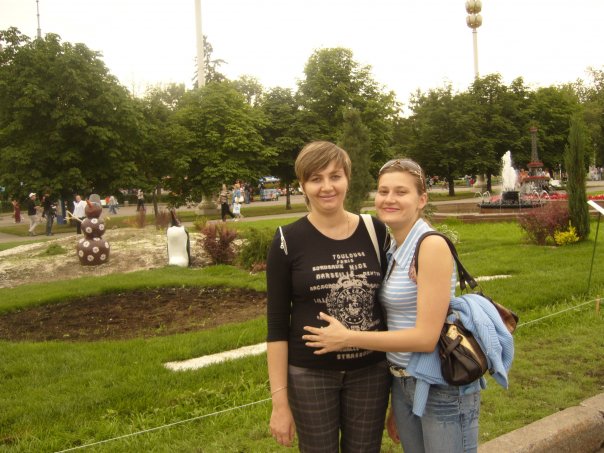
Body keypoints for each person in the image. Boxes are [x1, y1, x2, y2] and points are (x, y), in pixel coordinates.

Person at [303, 158, 481, 453]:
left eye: (401, 192)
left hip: (440, 385)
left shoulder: (430, 246)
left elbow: (425, 338)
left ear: (421, 200)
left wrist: (347, 337)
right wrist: (397, 400)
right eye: (383, 191)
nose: (389, 199)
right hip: (404, 382)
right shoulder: (395, 247)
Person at [266, 141, 391, 452]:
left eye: (335, 176)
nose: (326, 187)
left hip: (371, 371)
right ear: (302, 185)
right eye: (315, 179)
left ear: (347, 178)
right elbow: (277, 325)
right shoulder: (286, 240)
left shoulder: (375, 231)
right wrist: (280, 404)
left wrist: (417, 265)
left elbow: (395, 299)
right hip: (311, 375)